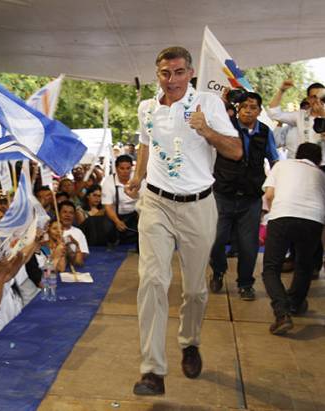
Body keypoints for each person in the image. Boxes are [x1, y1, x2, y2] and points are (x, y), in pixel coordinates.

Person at [125, 46, 241, 395]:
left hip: (198, 205)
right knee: (152, 281)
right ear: (157, 74)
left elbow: (235, 151)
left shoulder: (208, 103)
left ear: (190, 73)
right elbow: (146, 144)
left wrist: (206, 131)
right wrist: (137, 176)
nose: (171, 79)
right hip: (156, 203)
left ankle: (189, 341)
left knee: (194, 289)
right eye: (165, 73)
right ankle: (152, 370)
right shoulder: (146, 107)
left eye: (178, 72)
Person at [209, 92, 278, 299]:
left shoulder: (265, 132)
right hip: (223, 193)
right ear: (238, 108)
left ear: (259, 110)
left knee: (249, 245)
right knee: (216, 239)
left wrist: (275, 186)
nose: (248, 110)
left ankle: (246, 283)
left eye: (253, 107)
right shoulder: (225, 126)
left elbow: (274, 161)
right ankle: (218, 272)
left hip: (251, 197)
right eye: (245, 106)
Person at [261, 142, 325, 335]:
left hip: (283, 214)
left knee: (271, 268)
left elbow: (269, 194)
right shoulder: (321, 174)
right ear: (319, 159)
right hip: (313, 219)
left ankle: (282, 312)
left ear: (297, 154)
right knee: (304, 265)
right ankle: (295, 304)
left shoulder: (282, 165)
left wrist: (274, 215)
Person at [268, 80, 325, 163]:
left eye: (322, 97)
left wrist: (322, 114)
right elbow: (273, 113)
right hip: (302, 164)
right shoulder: (299, 115)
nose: (318, 100)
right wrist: (281, 91)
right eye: (314, 97)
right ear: (308, 99)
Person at [102, 155, 139, 246]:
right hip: (116, 214)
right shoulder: (108, 182)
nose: (125, 171)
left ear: (131, 168)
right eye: (122, 168)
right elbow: (108, 206)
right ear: (116, 168)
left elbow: (145, 201)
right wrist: (117, 221)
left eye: (128, 168)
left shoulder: (138, 180)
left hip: (135, 213)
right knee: (108, 227)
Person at [58, 200, 88, 267]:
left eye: (71, 213)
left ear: (74, 216)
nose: (67, 215)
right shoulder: (52, 231)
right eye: (64, 212)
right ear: (58, 213)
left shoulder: (78, 232)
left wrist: (76, 245)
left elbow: (83, 254)